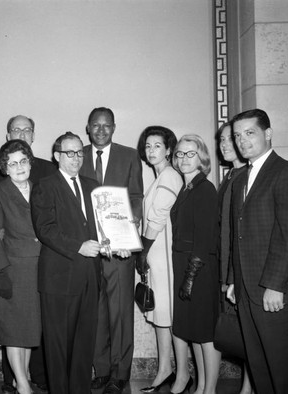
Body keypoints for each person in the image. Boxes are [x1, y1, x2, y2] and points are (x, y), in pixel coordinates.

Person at [227, 109, 288, 394]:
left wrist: (275, 286)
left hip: (277, 293)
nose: (242, 141)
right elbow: (237, 235)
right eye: (237, 135)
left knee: (284, 375)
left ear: (268, 133)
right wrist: (232, 280)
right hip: (247, 290)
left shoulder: (287, 172)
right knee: (260, 370)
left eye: (249, 133)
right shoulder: (241, 178)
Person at [0, 114, 54, 394]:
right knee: (14, 333)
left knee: (28, 332)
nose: (18, 167)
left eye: (23, 161)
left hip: (39, 270)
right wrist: (2, 272)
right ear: (5, 168)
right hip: (13, 272)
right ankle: (23, 386)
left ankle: (23, 376)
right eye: (12, 163)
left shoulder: (39, 189)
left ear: (30, 162)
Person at [30, 132, 102, 394]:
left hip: (89, 275)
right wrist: (78, 247)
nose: (75, 158)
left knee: (85, 341)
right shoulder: (45, 185)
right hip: (59, 277)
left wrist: (116, 244)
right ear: (57, 156)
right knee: (58, 344)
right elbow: (45, 229)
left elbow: (101, 227)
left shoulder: (93, 185)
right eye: (69, 153)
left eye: (79, 152)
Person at [79, 107, 143, 394]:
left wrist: (128, 237)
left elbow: (136, 197)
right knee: (96, 314)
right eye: (96, 125)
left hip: (120, 252)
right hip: (90, 252)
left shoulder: (129, 156)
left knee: (120, 315)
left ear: (114, 127)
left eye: (106, 125)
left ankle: (120, 372)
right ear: (88, 128)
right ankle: (102, 370)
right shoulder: (75, 155)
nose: (101, 130)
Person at [170, 134, 220, 394]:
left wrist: (189, 278)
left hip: (199, 269)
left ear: (201, 158)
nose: (184, 158)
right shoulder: (187, 187)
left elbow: (204, 239)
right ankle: (200, 386)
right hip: (186, 266)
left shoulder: (205, 189)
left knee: (206, 335)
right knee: (195, 334)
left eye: (190, 153)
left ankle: (209, 389)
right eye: (179, 153)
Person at [135, 126, 183, 393]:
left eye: (157, 146)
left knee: (169, 316)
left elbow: (158, 218)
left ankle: (181, 374)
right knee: (160, 316)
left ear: (168, 149)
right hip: (155, 258)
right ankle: (166, 369)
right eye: (148, 146)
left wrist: (143, 251)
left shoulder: (169, 176)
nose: (151, 151)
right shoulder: (158, 177)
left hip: (163, 259)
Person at [215, 122, 253, 394]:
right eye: (223, 140)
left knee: (249, 332)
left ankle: (248, 387)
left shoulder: (247, 175)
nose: (225, 145)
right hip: (225, 266)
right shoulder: (230, 176)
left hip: (240, 268)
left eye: (231, 139)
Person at [0, 115, 56, 188]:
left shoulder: (50, 170)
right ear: (9, 137)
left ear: (33, 136)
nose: (22, 135)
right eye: (17, 130)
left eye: (27, 130)